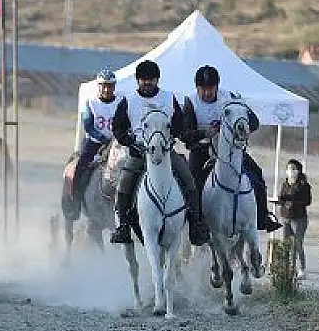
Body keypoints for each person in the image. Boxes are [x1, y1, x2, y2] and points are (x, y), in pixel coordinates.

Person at [109, 60, 209, 246]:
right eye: (143, 80)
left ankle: (195, 223)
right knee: (124, 184)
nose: (147, 83)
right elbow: (118, 127)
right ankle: (123, 226)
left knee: (188, 179)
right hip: (140, 152)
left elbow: (179, 124)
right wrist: (129, 141)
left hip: (165, 152)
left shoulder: (168, 98)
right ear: (138, 80)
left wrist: (172, 136)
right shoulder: (128, 101)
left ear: (157, 80)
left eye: (151, 79)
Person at [181, 65, 281, 233]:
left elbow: (254, 121)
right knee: (192, 184)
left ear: (217, 87)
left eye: (210, 89)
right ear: (197, 88)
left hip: (231, 151)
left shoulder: (230, 98)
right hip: (202, 150)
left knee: (256, 174)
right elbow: (184, 134)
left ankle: (262, 217)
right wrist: (204, 132)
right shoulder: (190, 102)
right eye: (203, 89)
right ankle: (195, 223)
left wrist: (243, 128)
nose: (206, 93)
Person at [71, 69, 122, 212]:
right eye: (103, 86)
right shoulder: (91, 103)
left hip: (117, 143)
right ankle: (76, 199)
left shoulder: (120, 102)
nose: (107, 89)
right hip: (95, 142)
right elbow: (88, 125)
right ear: (98, 86)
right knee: (81, 165)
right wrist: (102, 138)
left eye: (110, 86)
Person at [278, 158, 312, 279]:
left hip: (299, 219)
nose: (290, 171)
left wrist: (294, 203)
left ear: (298, 171)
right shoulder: (285, 183)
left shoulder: (304, 185)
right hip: (285, 217)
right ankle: (287, 268)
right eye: (288, 168)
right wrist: (280, 201)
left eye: (293, 169)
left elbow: (308, 201)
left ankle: (302, 269)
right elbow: (281, 197)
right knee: (286, 244)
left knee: (297, 244)